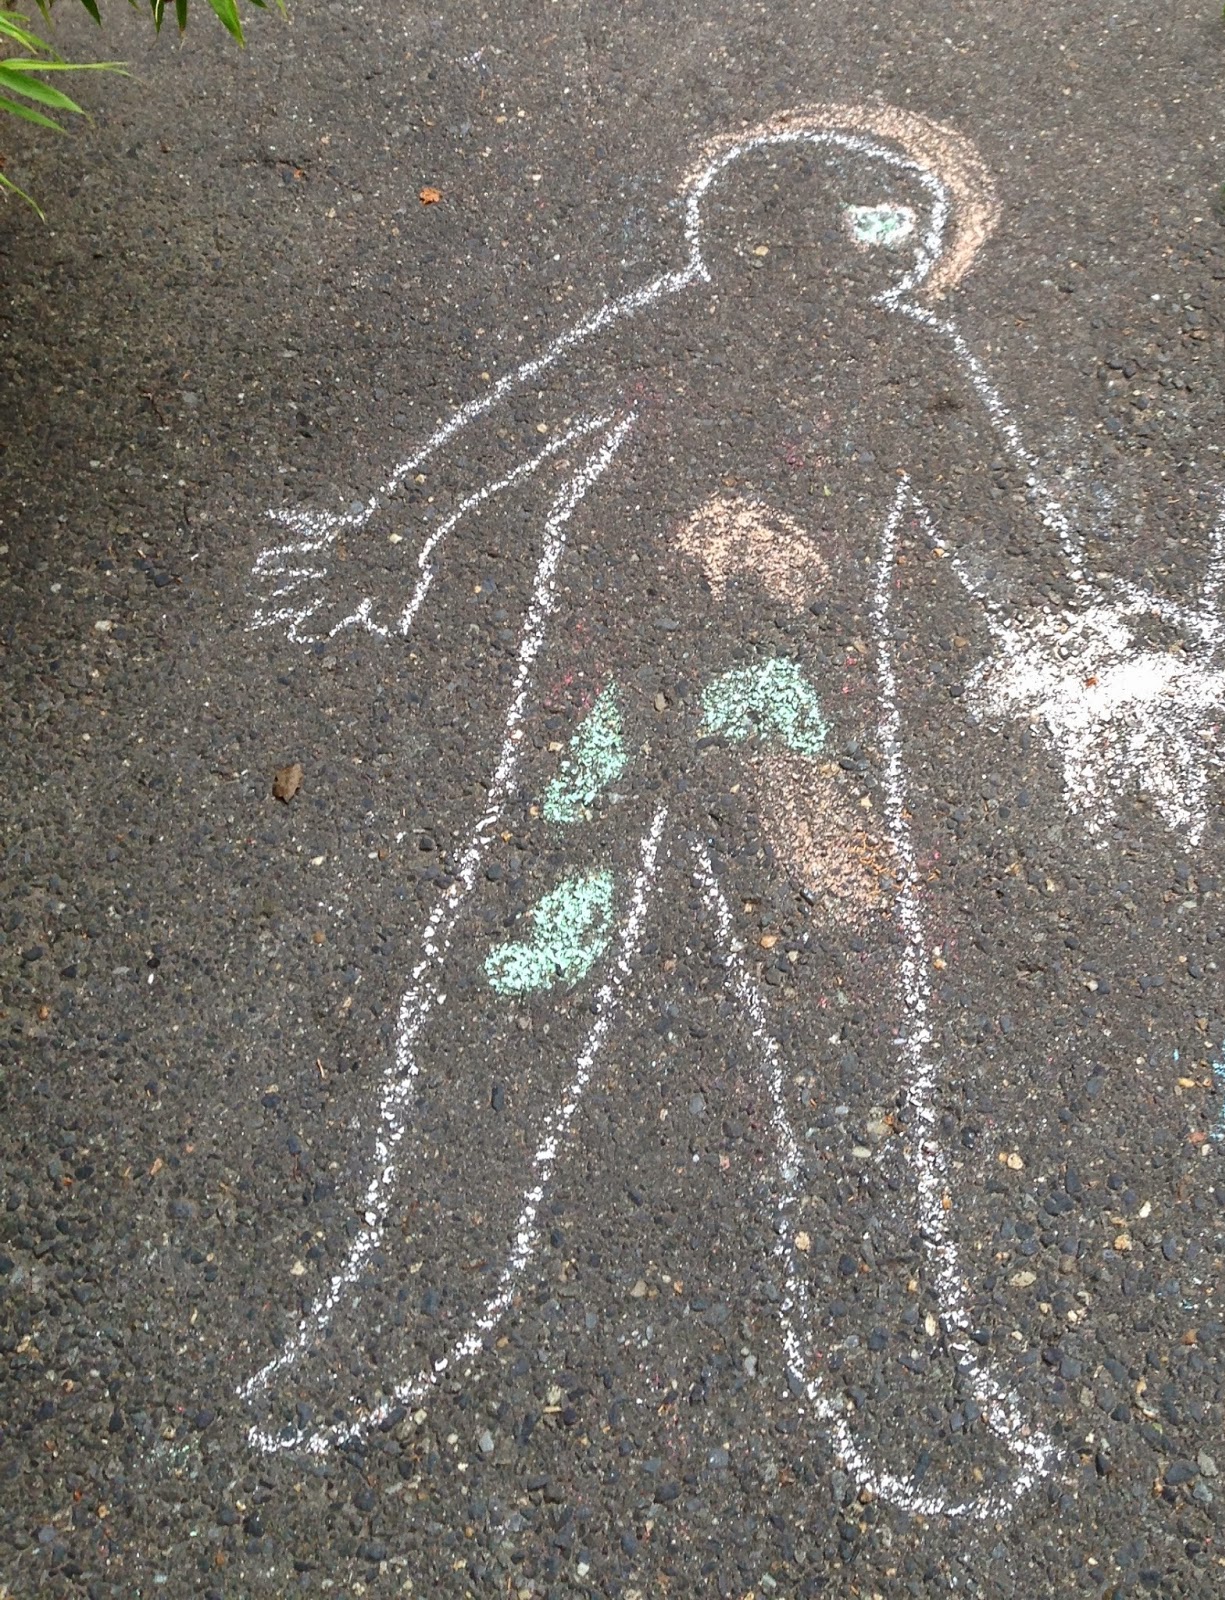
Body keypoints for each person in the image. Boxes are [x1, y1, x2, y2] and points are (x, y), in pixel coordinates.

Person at [242, 106, 1076, 1517]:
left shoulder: (907, 358)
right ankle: (401, 1298)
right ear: (767, 231)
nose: (899, 245)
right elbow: (522, 423)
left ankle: (894, 1357)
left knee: (838, 1001)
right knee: (530, 961)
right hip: (614, 693)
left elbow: (1001, 518)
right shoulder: (687, 324)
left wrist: (1079, 645)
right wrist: (394, 532)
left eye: (905, 228)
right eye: (873, 220)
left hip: (787, 713)